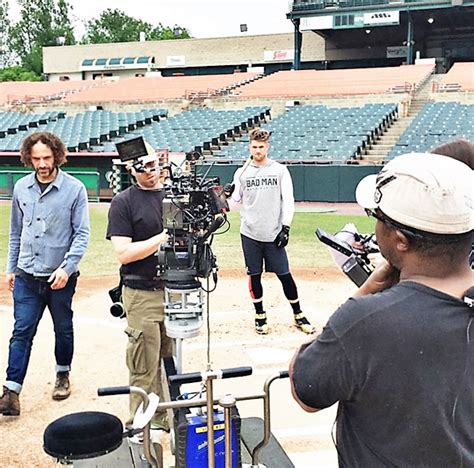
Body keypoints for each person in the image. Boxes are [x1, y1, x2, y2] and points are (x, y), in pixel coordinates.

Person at [289, 152, 473, 466]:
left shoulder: (363, 321)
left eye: (379, 217)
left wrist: (364, 296)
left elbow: (305, 390)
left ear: (400, 240)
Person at [1, 131, 90, 416]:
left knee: (62, 329)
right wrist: (11, 267)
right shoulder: (21, 189)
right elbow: (16, 232)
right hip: (27, 275)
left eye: (47, 157)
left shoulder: (75, 189)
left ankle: (63, 374)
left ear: (57, 156)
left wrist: (67, 267)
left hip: (59, 278)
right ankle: (11, 392)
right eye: (36, 158)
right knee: (21, 331)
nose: (41, 163)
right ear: (29, 157)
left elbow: (82, 235)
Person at [106, 142, 172, 431]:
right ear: (131, 169)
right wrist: (163, 237)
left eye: (155, 163)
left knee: (171, 363)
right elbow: (123, 252)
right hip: (142, 293)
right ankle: (140, 428)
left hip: (176, 291)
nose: (152, 170)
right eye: (145, 166)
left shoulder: (175, 197)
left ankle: (168, 420)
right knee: (144, 366)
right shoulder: (124, 202)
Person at [227, 127, 314, 335]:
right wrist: (228, 193)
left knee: (284, 274)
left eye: (262, 147)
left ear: (268, 147)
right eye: (255, 147)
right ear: (250, 147)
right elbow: (235, 200)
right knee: (254, 275)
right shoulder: (242, 172)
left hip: (273, 233)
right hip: (250, 233)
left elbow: (288, 201)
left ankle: (298, 313)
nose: (258, 151)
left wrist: (286, 227)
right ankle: (260, 315)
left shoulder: (280, 170)